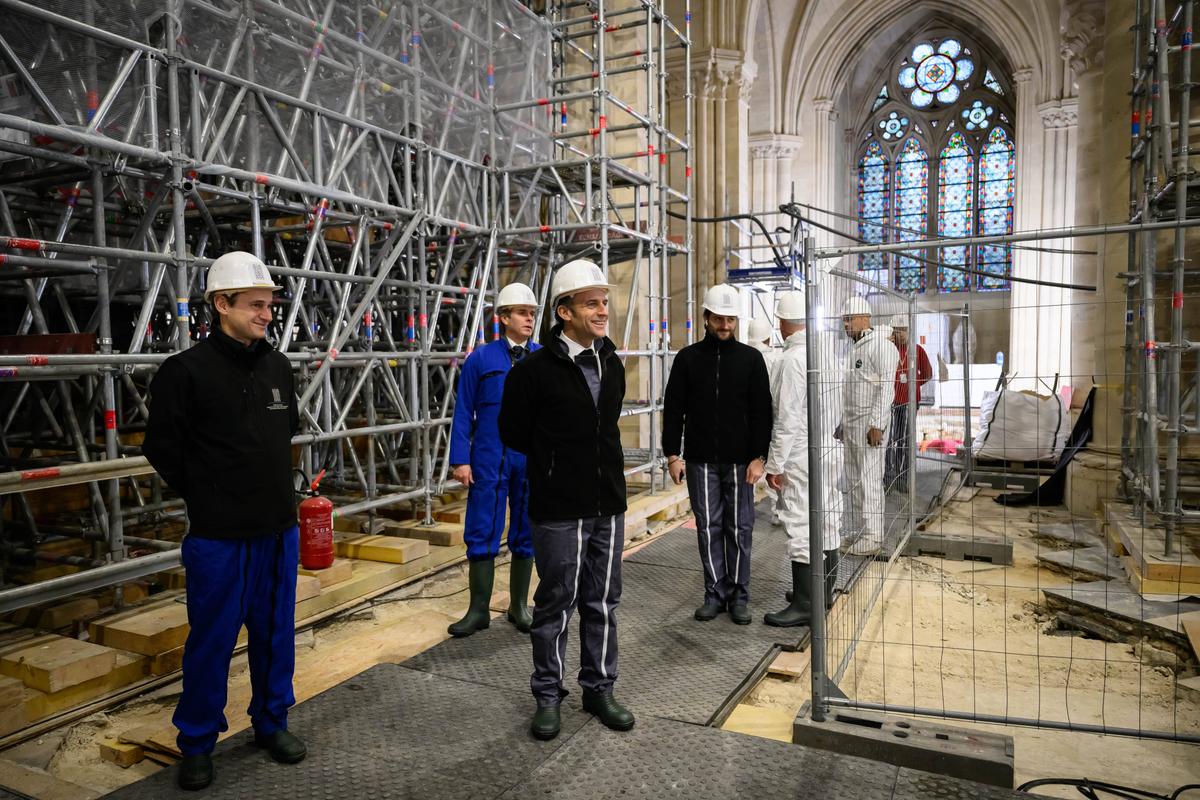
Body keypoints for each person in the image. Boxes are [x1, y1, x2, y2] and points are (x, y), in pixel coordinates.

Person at [143, 251, 305, 791]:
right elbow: (162, 448)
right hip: (218, 537)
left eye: (269, 305)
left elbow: (287, 437)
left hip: (278, 531)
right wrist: (209, 496)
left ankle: (271, 722)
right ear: (222, 304)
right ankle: (196, 742)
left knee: (275, 633)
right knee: (212, 641)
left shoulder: (278, 366)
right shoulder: (184, 372)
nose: (266, 314)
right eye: (256, 305)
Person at [498, 259, 634, 741]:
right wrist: (557, 465)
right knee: (556, 602)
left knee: (603, 600)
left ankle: (599, 687)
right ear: (565, 311)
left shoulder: (611, 361)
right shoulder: (534, 371)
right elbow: (513, 433)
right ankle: (549, 695)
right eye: (592, 302)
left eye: (605, 301)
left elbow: (608, 423)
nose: (603, 310)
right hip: (559, 507)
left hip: (608, 504)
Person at [662, 284, 773, 625]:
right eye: (719, 319)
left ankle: (739, 595)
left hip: (741, 462)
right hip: (700, 461)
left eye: (731, 319)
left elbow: (762, 412)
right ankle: (714, 593)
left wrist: (759, 457)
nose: (725, 325)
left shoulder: (751, 360)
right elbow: (674, 409)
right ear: (706, 318)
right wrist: (672, 455)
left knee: (740, 527)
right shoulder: (687, 359)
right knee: (708, 527)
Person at [447, 282, 540, 637]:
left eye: (531, 313)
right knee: (482, 528)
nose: (528, 319)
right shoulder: (481, 359)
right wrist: (460, 459)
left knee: (526, 530)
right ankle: (478, 610)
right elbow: (463, 411)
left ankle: (519, 607)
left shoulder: (542, 358)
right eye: (521, 313)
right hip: (488, 456)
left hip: (528, 457)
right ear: (503, 318)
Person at [763, 291, 840, 626]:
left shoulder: (791, 360)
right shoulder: (826, 352)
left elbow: (786, 419)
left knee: (800, 525)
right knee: (828, 518)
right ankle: (824, 591)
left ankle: (806, 605)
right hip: (827, 447)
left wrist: (774, 465)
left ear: (782, 323)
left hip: (800, 456)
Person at [836, 296, 899, 557]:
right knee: (853, 480)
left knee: (869, 479)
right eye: (844, 321)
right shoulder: (854, 348)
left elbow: (887, 389)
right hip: (851, 424)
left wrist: (876, 424)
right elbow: (850, 388)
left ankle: (874, 535)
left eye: (850, 320)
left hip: (869, 426)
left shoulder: (881, 347)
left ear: (866, 318)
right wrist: (841, 421)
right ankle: (861, 530)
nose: (846, 325)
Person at [884, 315, 932, 493]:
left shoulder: (917, 350)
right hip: (889, 402)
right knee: (888, 441)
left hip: (910, 402)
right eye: (897, 330)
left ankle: (903, 479)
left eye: (903, 330)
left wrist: (914, 385)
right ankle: (888, 478)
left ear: (909, 331)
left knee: (905, 441)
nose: (900, 334)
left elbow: (927, 373)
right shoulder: (886, 349)